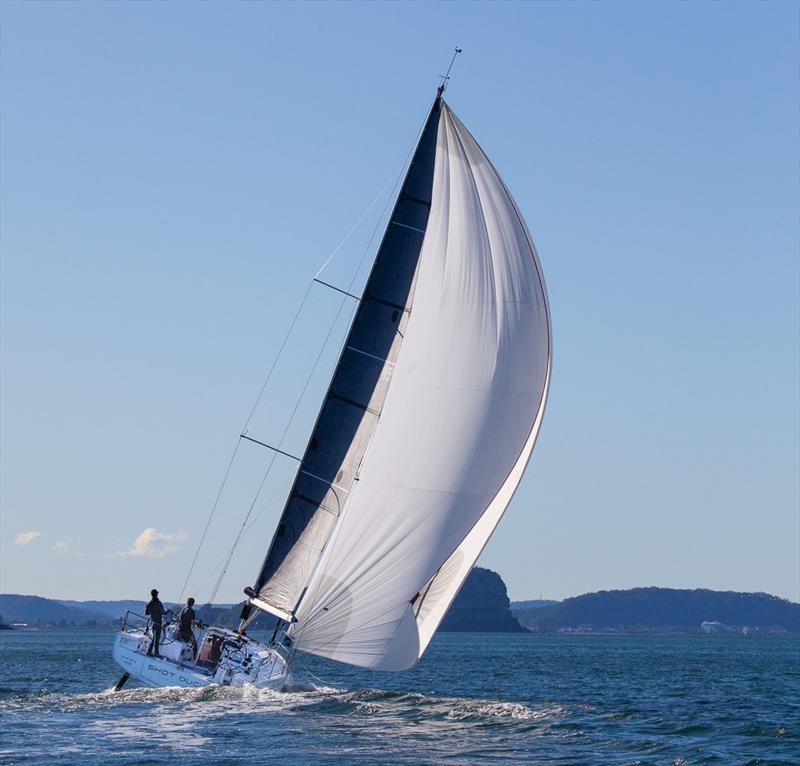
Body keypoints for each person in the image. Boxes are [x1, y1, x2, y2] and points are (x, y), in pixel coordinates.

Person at [144, 588, 166, 658]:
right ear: (156, 594)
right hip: (158, 623)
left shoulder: (149, 603)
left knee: (154, 638)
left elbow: (146, 613)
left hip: (152, 623)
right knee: (156, 639)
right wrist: (167, 610)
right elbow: (163, 612)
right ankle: (156, 653)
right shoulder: (158, 603)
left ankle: (149, 651)